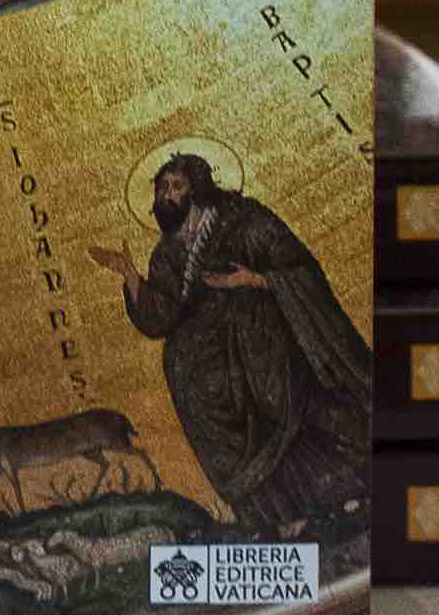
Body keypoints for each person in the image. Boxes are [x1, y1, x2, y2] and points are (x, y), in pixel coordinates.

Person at [89, 153, 368, 538]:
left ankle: (339, 493)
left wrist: (252, 281)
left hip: (260, 339)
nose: (167, 195)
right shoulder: (167, 252)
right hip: (203, 369)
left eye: (176, 186)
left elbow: (299, 268)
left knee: (276, 403)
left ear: (199, 187)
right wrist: (130, 275)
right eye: (161, 188)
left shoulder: (244, 220)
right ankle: (275, 516)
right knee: (215, 410)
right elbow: (160, 319)